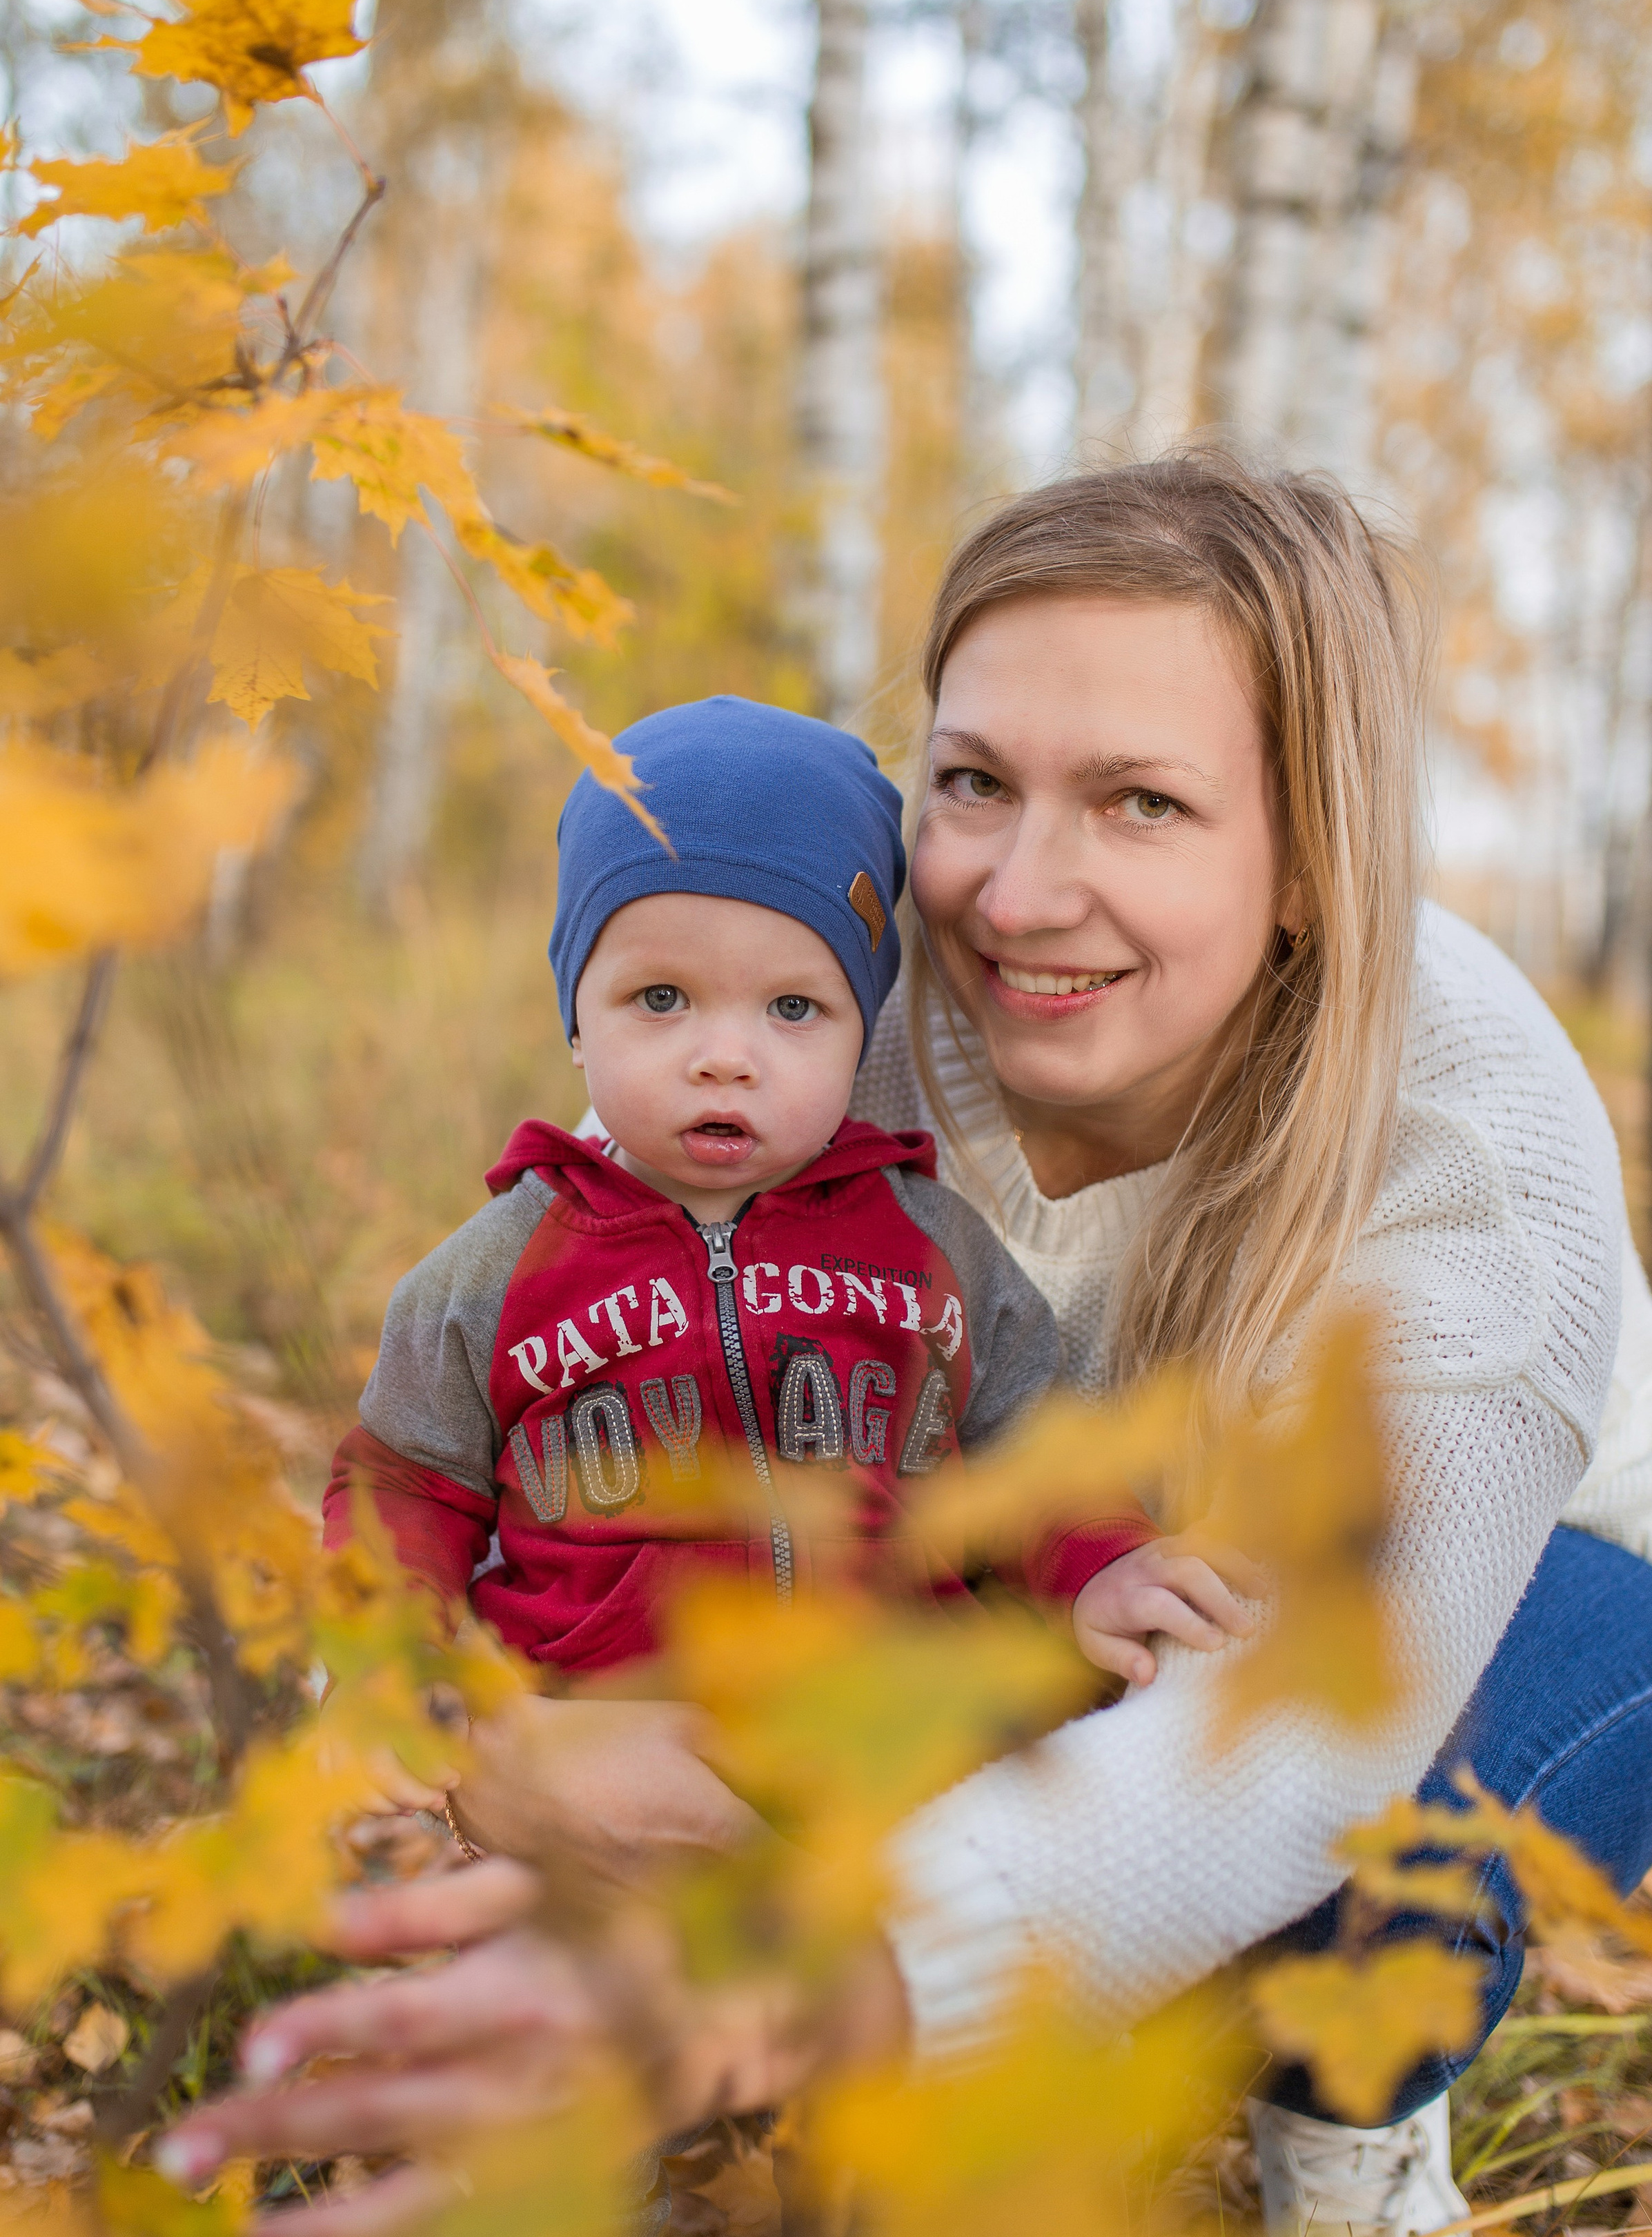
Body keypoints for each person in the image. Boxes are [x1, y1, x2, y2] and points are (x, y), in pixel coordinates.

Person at [162, 451, 1652, 2237]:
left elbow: (1329, 1715)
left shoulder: (1465, 1125)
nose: (1017, 892)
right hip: (1076, 1563)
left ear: (1311, 858)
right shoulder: (827, 996)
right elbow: (535, 1362)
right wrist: (494, 1741)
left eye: (1142, 802)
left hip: (1523, 1597)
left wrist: (826, 1968)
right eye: (975, 782)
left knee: (1355, 1853)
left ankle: (1351, 2110)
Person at [324, 693, 1246, 1757]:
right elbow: (405, 1484)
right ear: (577, 1021)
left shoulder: (932, 1249)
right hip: (603, 1754)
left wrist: (1100, 1568)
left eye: (793, 1008)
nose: (726, 1057)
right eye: (661, 999)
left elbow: (1034, 1453)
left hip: (899, 1760)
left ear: (862, 1033)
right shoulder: (496, 1272)